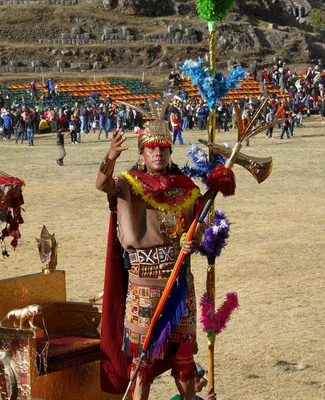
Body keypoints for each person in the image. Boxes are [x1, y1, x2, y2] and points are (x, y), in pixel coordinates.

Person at [96, 105, 205, 400]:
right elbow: (101, 183)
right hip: (143, 284)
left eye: (164, 148)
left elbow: (201, 228)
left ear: (170, 153)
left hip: (180, 283)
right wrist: (111, 156)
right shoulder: (127, 184)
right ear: (142, 154)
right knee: (142, 362)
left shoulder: (187, 188)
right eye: (152, 149)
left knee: (184, 360)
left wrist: (194, 241)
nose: (158, 154)